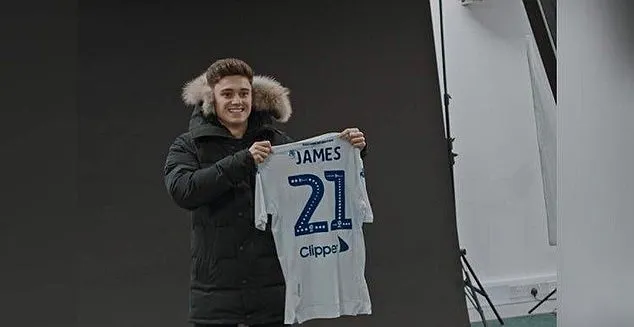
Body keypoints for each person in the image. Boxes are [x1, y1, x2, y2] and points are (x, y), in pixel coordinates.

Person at [163, 58, 367, 327]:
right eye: (227, 93)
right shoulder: (189, 145)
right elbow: (183, 190)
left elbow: (313, 177)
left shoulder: (276, 141)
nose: (237, 101)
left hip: (271, 293)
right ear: (211, 97)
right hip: (215, 296)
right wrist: (243, 160)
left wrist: (347, 151)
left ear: (253, 95)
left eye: (243, 93)